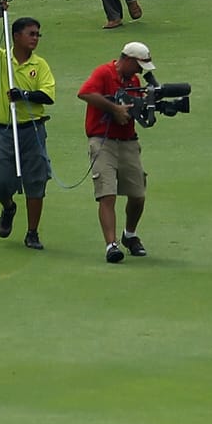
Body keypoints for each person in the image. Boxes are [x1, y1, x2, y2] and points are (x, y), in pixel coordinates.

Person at [0, 0, 56, 250]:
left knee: (36, 181)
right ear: (16, 36)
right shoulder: (1, 59)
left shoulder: (39, 65)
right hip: (5, 130)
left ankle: (32, 232)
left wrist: (24, 95)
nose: (35, 38)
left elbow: (48, 96)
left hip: (32, 130)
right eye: (31, 34)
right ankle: (8, 207)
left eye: (37, 34)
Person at [79, 40, 159, 262]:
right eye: (138, 66)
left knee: (138, 194)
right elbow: (85, 93)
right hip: (102, 142)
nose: (140, 72)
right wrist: (114, 109)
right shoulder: (104, 73)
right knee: (107, 193)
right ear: (128, 60)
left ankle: (130, 235)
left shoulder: (133, 81)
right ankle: (111, 245)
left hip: (128, 142)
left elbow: (136, 111)